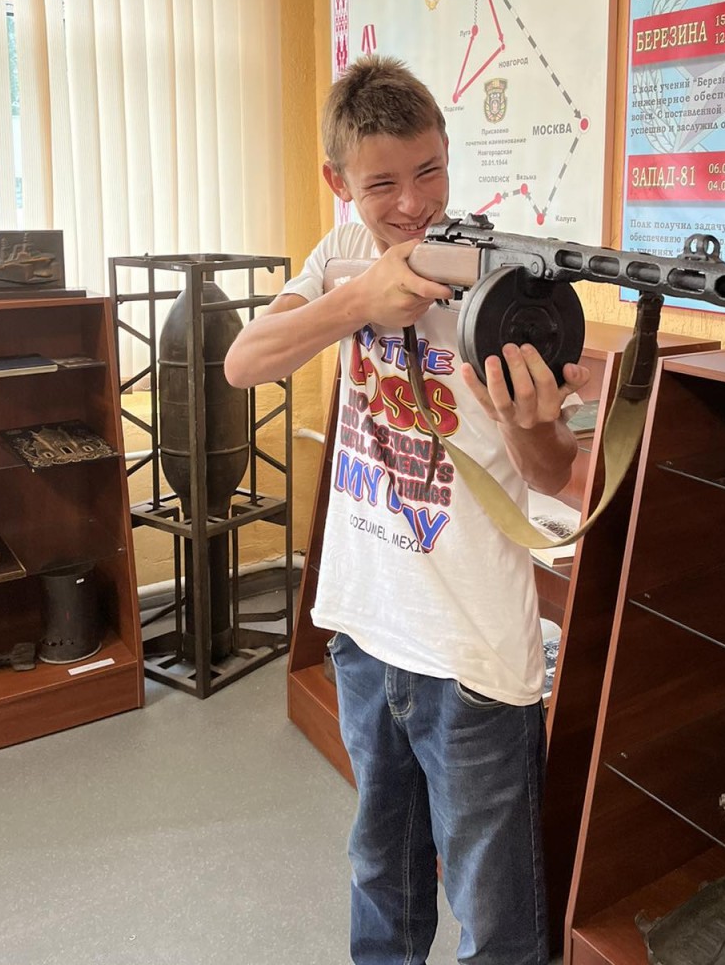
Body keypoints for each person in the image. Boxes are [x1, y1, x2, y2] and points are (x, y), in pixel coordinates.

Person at [224, 54, 589, 965]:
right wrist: (362, 298)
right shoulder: (340, 255)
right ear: (337, 181)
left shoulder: (511, 285)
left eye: (429, 170)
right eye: (381, 184)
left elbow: (553, 478)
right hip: (364, 630)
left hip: (472, 654)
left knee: (496, 919)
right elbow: (245, 360)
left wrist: (531, 423)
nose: (414, 203)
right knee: (380, 883)